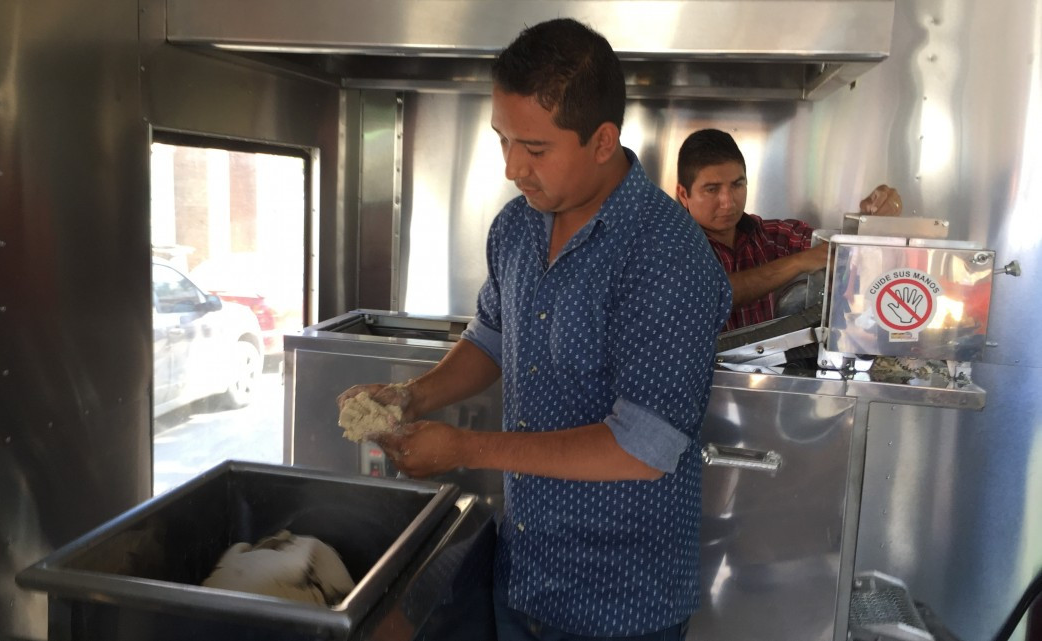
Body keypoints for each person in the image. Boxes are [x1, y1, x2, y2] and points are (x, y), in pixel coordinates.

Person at [337, 18, 731, 641]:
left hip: (620, 600)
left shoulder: (666, 254)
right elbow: (493, 336)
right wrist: (411, 396)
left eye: (535, 149)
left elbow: (643, 448)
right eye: (503, 140)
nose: (512, 167)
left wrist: (464, 449)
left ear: (603, 141)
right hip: (524, 570)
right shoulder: (517, 227)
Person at [674, 128, 902, 331]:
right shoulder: (672, 247)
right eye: (712, 189)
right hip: (703, 367)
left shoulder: (766, 235)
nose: (728, 202)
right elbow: (712, 295)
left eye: (737, 185)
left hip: (765, 366)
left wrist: (871, 217)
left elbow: (837, 247)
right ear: (684, 194)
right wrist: (799, 262)